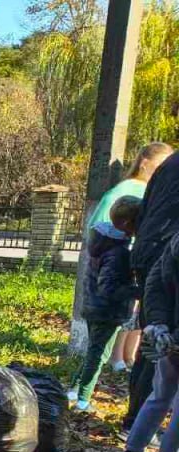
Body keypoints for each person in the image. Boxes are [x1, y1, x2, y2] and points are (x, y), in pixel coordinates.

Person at [86, 143, 173, 372]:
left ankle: (127, 358)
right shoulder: (128, 191)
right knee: (133, 317)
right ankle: (117, 360)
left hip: (136, 263)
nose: (163, 170)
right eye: (159, 165)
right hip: (132, 265)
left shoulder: (149, 189)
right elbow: (104, 230)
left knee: (139, 316)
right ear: (145, 163)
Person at [124, 145, 179, 436]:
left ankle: (135, 420)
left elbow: (145, 211)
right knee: (161, 341)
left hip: (150, 252)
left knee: (151, 338)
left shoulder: (169, 163)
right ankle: (142, 424)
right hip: (168, 256)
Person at [69, 197, 142, 412]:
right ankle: (83, 400)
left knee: (93, 351)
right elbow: (108, 287)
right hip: (106, 312)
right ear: (129, 224)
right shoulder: (118, 253)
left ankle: (74, 389)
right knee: (98, 355)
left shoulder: (103, 241)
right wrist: (139, 292)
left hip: (94, 307)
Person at [117, 229, 179, 452]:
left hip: (165, 337)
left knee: (159, 396)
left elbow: (154, 286)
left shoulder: (173, 244)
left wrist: (158, 324)